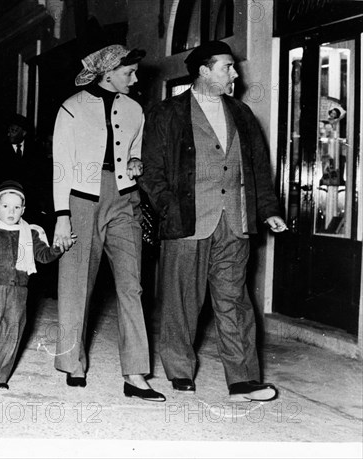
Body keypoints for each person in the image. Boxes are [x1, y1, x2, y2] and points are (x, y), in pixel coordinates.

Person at [140, 40, 287, 402]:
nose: (235, 74)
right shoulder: (167, 113)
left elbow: (256, 169)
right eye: (227, 67)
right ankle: (179, 369)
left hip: (234, 221)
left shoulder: (241, 113)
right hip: (187, 220)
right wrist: (168, 208)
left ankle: (243, 380)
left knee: (234, 300)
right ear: (204, 71)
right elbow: (151, 172)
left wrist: (267, 209)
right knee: (182, 300)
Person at [52, 44, 165, 402]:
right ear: (108, 72)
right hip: (81, 199)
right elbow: (60, 167)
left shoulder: (134, 109)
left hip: (124, 198)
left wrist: (135, 162)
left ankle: (136, 374)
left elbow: (136, 149)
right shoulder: (71, 107)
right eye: (129, 72)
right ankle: (73, 362)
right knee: (76, 283)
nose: (135, 78)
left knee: (132, 284)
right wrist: (61, 215)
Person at [0, 180, 65, 390]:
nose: (11, 211)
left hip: (18, 292)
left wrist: (58, 247)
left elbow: (43, 256)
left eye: (16, 207)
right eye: (5, 206)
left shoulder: (31, 233)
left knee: (12, 332)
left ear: (23, 210)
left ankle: (0, 376)